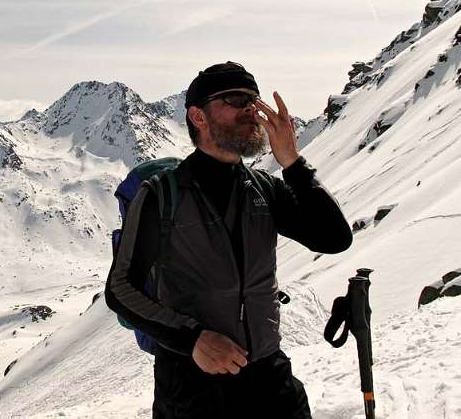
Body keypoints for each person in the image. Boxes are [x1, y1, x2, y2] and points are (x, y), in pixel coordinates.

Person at [105, 61, 352, 418]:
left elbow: (334, 238)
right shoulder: (162, 194)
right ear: (199, 117)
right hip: (192, 390)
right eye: (235, 100)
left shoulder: (264, 188)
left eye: (253, 99)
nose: (250, 109)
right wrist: (192, 340)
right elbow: (120, 289)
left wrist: (293, 163)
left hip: (270, 380)